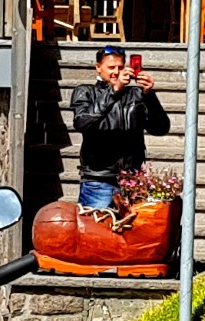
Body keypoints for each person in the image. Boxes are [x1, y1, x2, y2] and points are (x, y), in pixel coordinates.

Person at [66, 45, 166, 212]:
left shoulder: (136, 94)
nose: (116, 72)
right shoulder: (85, 92)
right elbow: (82, 122)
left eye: (120, 67)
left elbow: (160, 128)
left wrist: (149, 95)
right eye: (111, 67)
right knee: (95, 234)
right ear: (98, 68)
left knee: (134, 236)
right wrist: (113, 92)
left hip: (132, 181)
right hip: (98, 180)